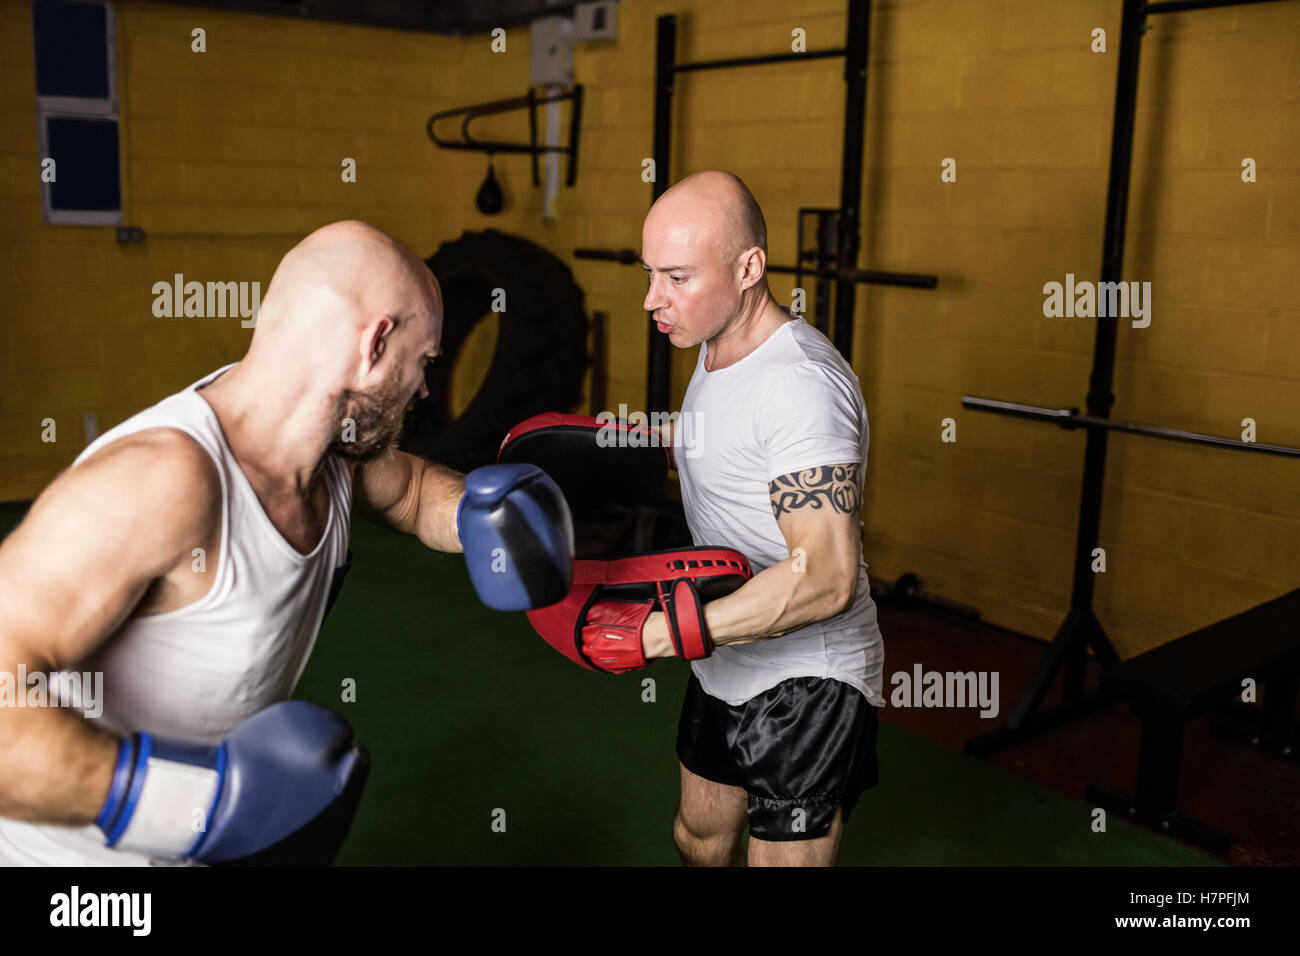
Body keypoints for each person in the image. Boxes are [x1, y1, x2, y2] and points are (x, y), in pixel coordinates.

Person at [0, 220, 570, 865]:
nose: (425, 389)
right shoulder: (162, 481)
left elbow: (410, 492)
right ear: (374, 341)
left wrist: (482, 513)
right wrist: (198, 804)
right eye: (425, 361)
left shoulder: (335, 452)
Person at [640, 171, 885, 866]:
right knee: (699, 839)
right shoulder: (713, 342)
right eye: (651, 273)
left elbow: (826, 578)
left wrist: (669, 634)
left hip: (810, 676)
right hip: (731, 650)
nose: (653, 299)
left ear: (749, 268)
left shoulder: (799, 384)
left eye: (677, 277)